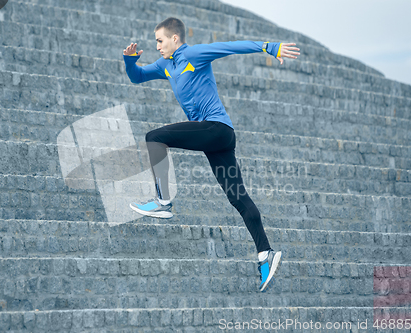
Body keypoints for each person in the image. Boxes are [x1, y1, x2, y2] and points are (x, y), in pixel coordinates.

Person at [122, 17, 299, 292]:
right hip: (217, 140)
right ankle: (266, 254)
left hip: (216, 129)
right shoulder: (165, 66)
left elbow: (229, 47)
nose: (156, 46)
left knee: (154, 138)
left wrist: (269, 47)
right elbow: (138, 77)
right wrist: (130, 61)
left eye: (160, 40)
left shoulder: (191, 54)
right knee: (238, 198)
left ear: (175, 39)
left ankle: (163, 201)